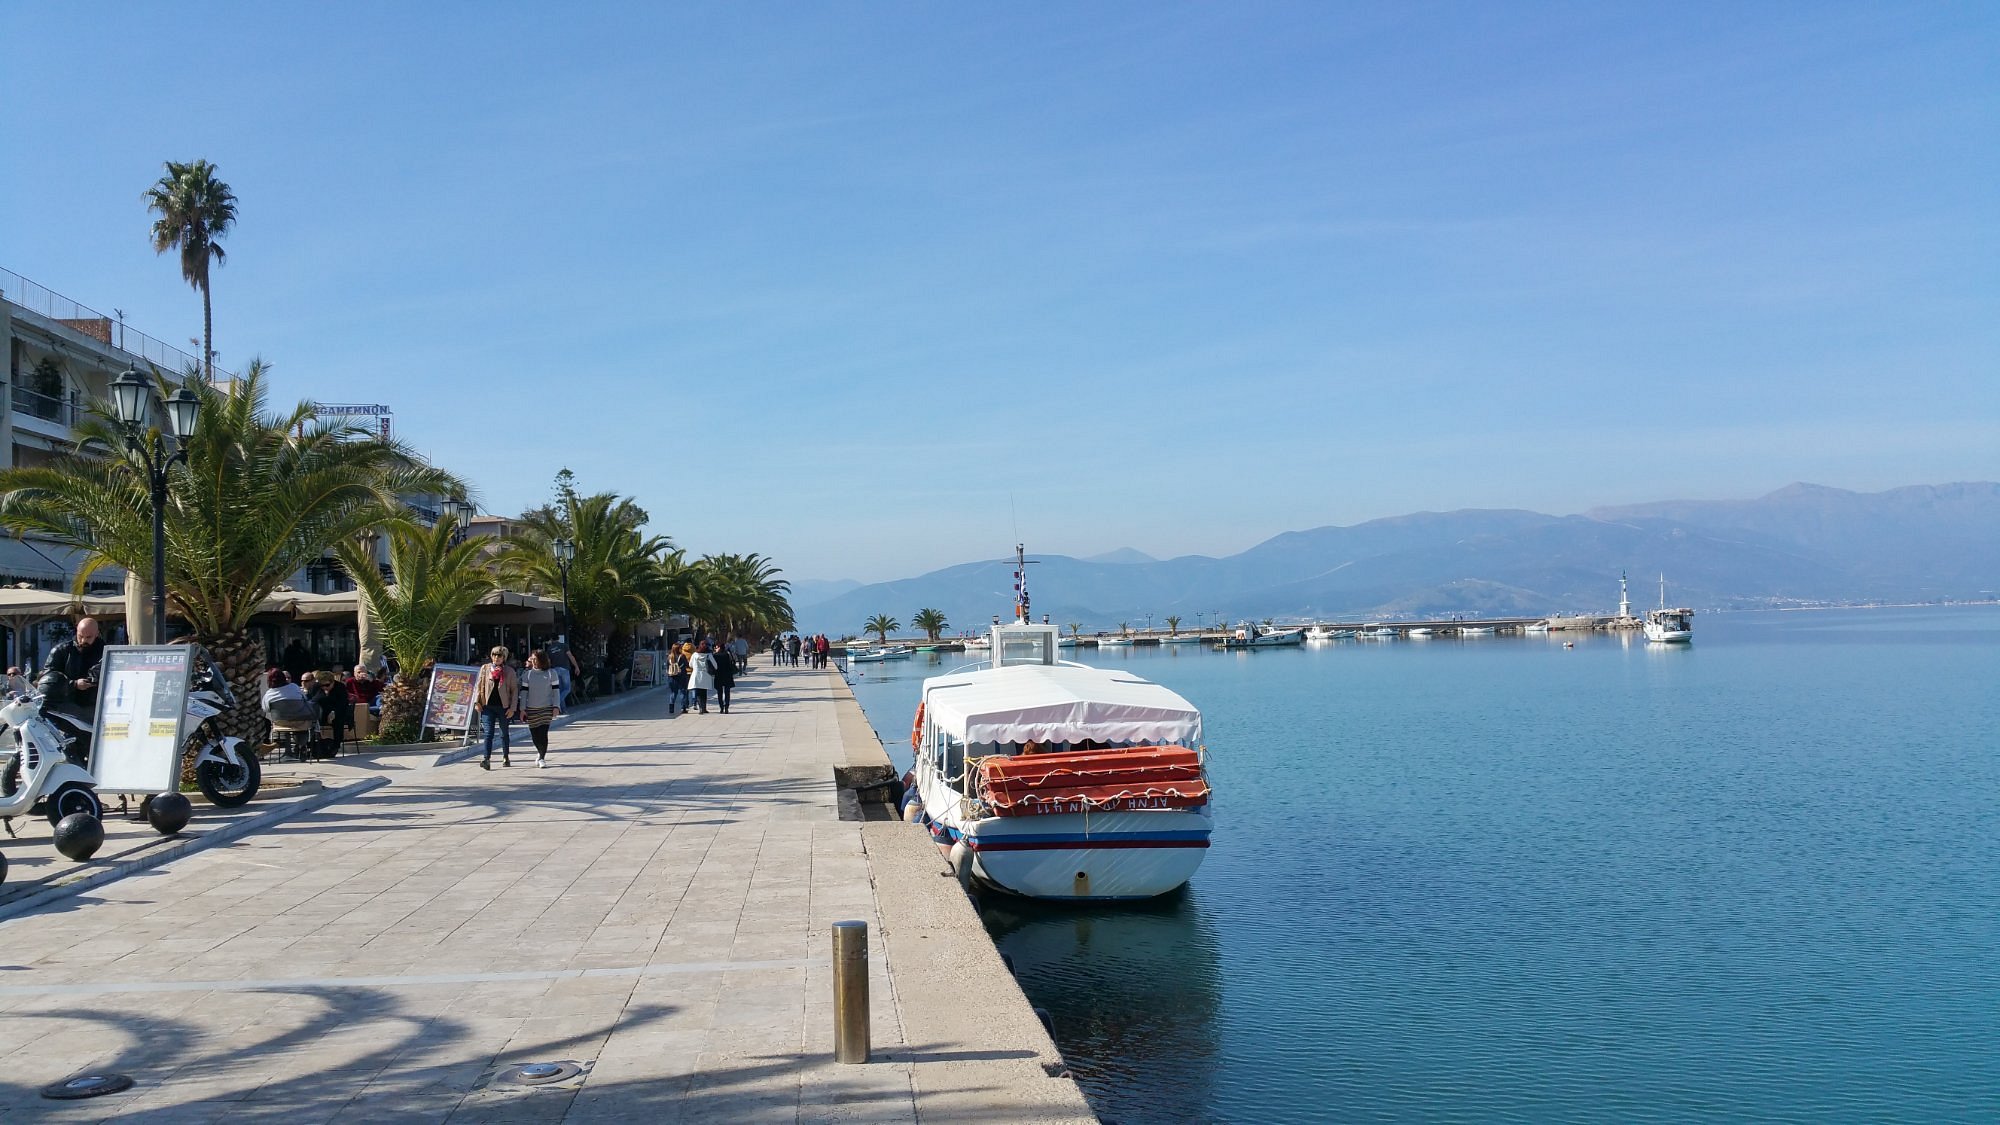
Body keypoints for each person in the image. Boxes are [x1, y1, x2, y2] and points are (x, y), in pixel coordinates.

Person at [36, 617, 107, 764]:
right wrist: (73, 684)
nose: (84, 640)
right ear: (76, 631)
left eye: (89, 637)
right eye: (81, 636)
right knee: (71, 742)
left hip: (95, 706)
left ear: (97, 634)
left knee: (93, 743)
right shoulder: (62, 650)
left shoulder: (106, 651)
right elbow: (47, 679)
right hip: (67, 707)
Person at [476, 645, 519, 769]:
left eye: (499, 655)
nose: (496, 658)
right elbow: (479, 687)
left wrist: (512, 708)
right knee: (488, 733)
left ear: (504, 657)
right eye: (494, 655)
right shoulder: (485, 669)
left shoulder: (509, 671)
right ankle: (486, 759)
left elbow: (514, 691)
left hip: (503, 707)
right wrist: (477, 702)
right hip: (487, 706)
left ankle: (505, 756)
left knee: (504, 733)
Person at [519, 649, 561, 767]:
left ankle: (542, 757)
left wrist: (556, 706)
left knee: (543, 733)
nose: (533, 661)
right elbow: (524, 693)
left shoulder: (551, 673)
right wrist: (522, 709)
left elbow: (556, 691)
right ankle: (539, 751)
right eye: (532, 659)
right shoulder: (528, 674)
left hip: (546, 708)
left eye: (535, 659)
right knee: (534, 735)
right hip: (531, 709)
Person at [308, 670, 350, 751]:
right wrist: (324, 694)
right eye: (322, 685)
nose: (324, 687)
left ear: (333, 682)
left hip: (337, 711)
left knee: (338, 721)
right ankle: (311, 744)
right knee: (311, 721)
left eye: (327, 685)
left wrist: (334, 712)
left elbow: (343, 703)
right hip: (320, 712)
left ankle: (336, 745)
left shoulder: (340, 687)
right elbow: (312, 701)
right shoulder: (316, 687)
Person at [688, 639, 716, 714]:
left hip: (696, 675)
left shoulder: (694, 655)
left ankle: (700, 708)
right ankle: (704, 708)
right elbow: (715, 666)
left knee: (698, 693)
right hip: (706, 675)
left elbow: (690, 664)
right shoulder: (709, 655)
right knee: (704, 692)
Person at [712, 641, 737, 714]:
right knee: (727, 692)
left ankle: (721, 707)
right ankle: (726, 707)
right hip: (727, 675)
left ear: (719, 647)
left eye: (716, 647)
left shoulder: (715, 655)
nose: (715, 649)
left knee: (719, 692)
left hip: (719, 675)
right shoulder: (727, 654)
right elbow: (732, 662)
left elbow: (714, 666)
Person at [666, 643, 690, 714]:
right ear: (679, 649)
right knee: (683, 692)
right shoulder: (682, 656)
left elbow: (667, 668)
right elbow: (687, 665)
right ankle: (683, 708)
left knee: (673, 693)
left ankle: (671, 708)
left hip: (672, 677)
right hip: (681, 676)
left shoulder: (669, 657)